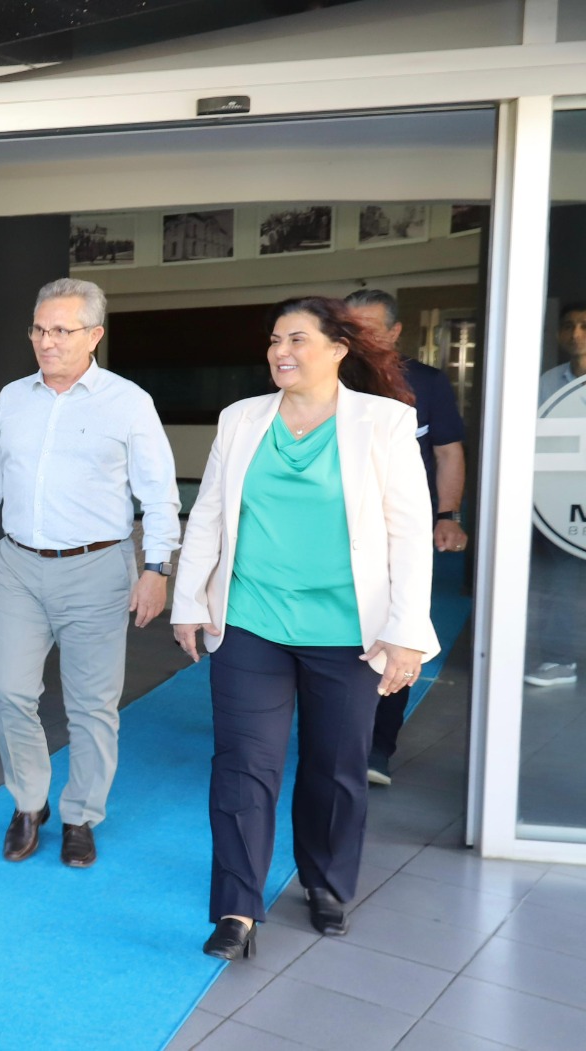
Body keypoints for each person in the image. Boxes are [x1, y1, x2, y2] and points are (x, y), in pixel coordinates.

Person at [172, 296, 439, 962]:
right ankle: (237, 906)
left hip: (349, 630)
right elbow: (207, 513)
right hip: (251, 619)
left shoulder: (383, 422)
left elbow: (410, 533)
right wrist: (189, 599)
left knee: (335, 766)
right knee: (242, 764)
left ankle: (325, 880)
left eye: (297, 339)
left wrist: (407, 628)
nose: (280, 351)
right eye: (273, 340)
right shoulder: (241, 419)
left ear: (338, 348)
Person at [0, 277, 180, 868]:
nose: (47, 341)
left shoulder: (127, 402)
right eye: (39, 328)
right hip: (21, 567)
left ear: (94, 336)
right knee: (8, 692)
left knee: (91, 706)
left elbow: (159, 494)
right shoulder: (12, 398)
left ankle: (82, 813)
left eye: (62, 330)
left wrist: (156, 567)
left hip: (99, 571)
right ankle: (29, 803)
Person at [344, 289, 468, 785]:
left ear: (395, 333)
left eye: (370, 327)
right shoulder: (328, 375)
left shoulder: (427, 383)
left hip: (400, 532)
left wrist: (448, 514)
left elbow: (448, 453)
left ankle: (378, 747)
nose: (358, 337)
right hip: (337, 532)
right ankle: (336, 734)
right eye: (349, 326)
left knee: (396, 631)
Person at [527, 302, 586, 688]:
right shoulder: (549, 381)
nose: (576, 334)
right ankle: (560, 660)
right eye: (568, 326)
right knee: (564, 580)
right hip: (563, 501)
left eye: (584, 325)